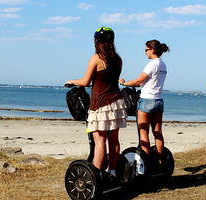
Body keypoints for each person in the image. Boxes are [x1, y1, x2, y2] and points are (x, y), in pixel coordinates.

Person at [66, 27, 127, 179]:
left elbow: (86, 81)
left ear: (97, 41)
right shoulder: (118, 60)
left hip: (100, 104)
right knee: (114, 140)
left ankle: (96, 175)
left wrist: (72, 81)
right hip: (116, 102)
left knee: (99, 141)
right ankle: (111, 171)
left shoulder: (96, 58)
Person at [119, 39, 169, 165]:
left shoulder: (152, 64)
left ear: (152, 50)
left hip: (147, 100)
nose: (145, 52)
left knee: (143, 132)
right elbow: (150, 81)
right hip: (159, 101)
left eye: (146, 50)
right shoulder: (163, 65)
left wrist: (123, 83)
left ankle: (146, 164)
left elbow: (137, 81)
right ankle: (160, 161)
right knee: (158, 133)